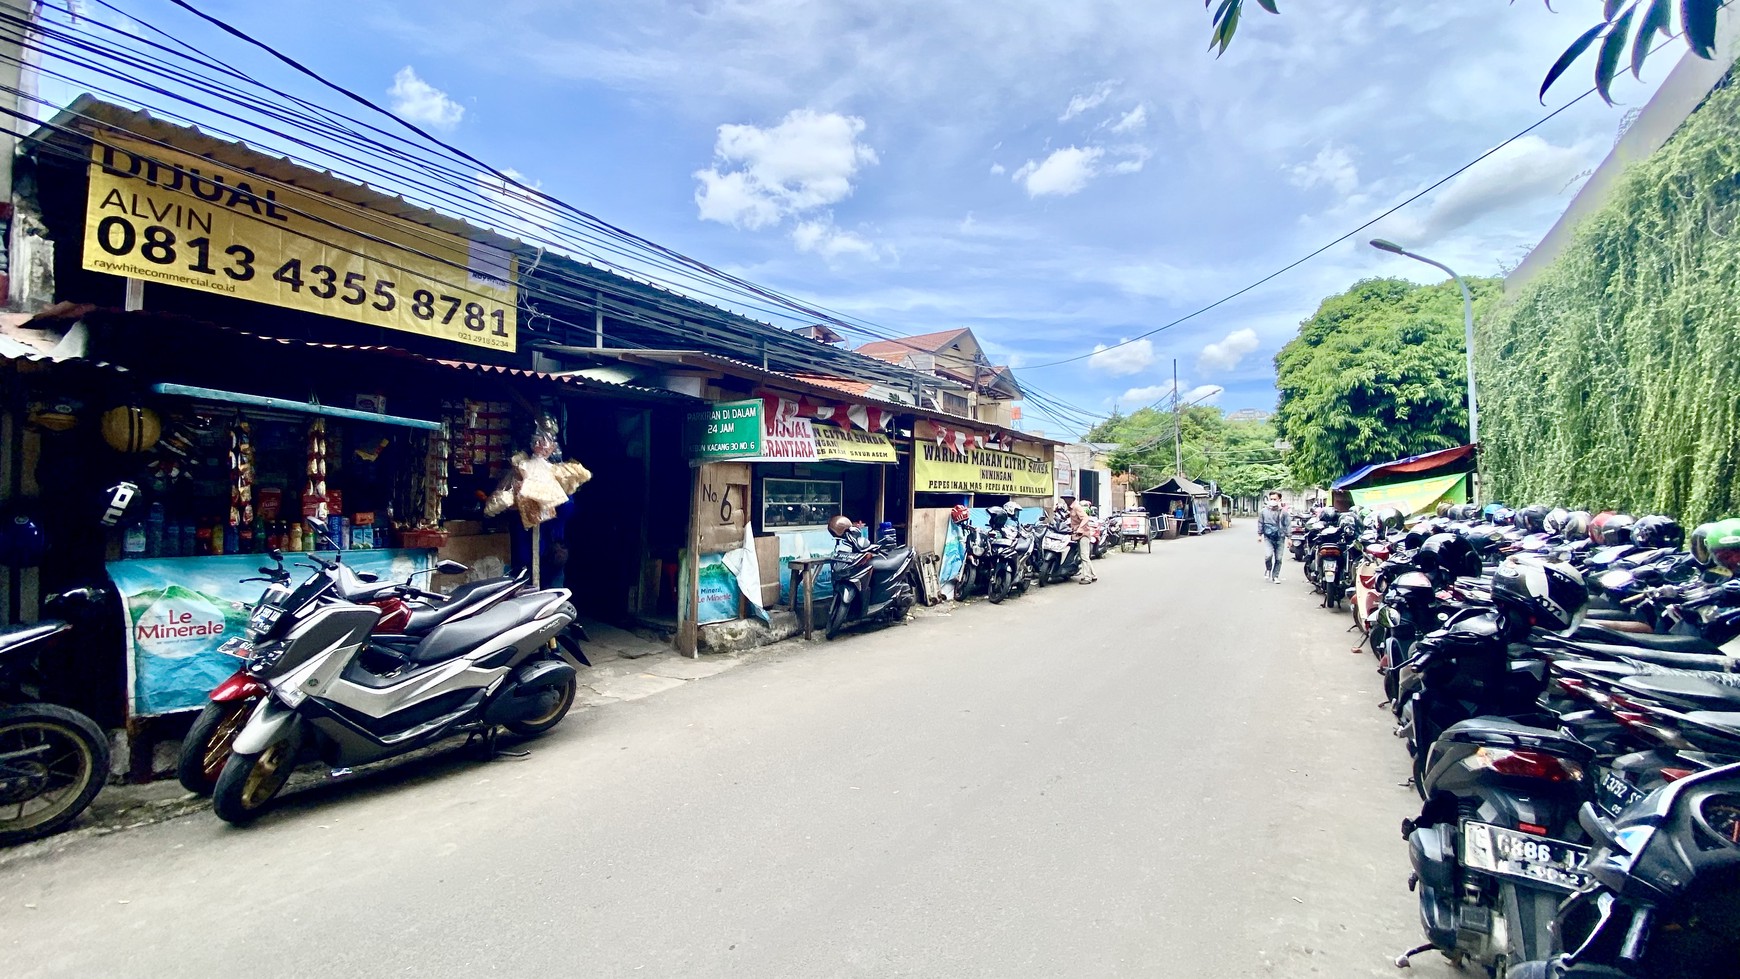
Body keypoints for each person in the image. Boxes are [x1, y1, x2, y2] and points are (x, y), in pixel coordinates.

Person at [1257, 490, 1287, 583]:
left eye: (1275, 499)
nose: (1273, 500)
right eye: (1271, 499)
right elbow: (1260, 523)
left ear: (1279, 500)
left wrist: (1289, 538)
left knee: (1278, 558)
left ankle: (1275, 576)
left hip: (1280, 537)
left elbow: (1288, 525)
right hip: (1268, 537)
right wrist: (1259, 535)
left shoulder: (1283, 512)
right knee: (1268, 555)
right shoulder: (1263, 511)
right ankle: (1268, 569)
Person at [1068, 498, 1098, 584]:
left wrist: (1080, 528)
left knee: (1084, 556)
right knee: (1084, 556)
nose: (1066, 500)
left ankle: (1087, 578)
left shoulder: (1077, 507)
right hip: (1077, 534)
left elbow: (1085, 518)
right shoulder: (1070, 508)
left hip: (1083, 534)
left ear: (1071, 499)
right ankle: (1093, 575)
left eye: (1067, 498)